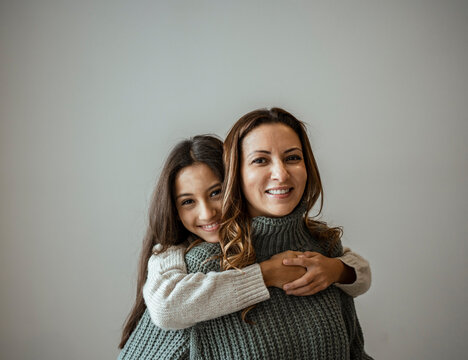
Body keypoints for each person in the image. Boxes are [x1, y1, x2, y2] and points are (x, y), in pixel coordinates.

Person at [118, 133, 370, 359]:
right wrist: (266, 274)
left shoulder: (317, 246)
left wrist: (338, 270)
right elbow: (165, 307)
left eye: (216, 193)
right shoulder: (186, 264)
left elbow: (359, 274)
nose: (207, 214)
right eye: (187, 202)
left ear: (235, 185)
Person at [183, 107, 372, 359]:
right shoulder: (201, 266)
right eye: (260, 160)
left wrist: (339, 269)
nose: (281, 174)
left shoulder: (326, 248)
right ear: (235, 174)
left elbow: (354, 353)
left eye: (292, 157)